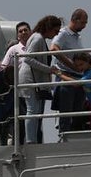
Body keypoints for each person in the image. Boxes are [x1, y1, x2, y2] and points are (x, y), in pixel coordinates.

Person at [20, 15, 63, 145]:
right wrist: (48, 69)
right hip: (30, 78)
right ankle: (30, 140)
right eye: (55, 31)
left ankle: (32, 139)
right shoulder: (38, 38)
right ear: (49, 28)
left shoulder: (37, 37)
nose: (55, 34)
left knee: (35, 110)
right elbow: (27, 58)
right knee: (32, 110)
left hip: (33, 78)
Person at [51, 9, 89, 135]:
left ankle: (75, 137)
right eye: (83, 22)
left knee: (77, 113)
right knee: (66, 113)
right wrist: (72, 65)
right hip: (66, 77)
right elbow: (54, 49)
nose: (84, 26)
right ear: (75, 20)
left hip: (78, 78)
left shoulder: (77, 37)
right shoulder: (64, 33)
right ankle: (65, 137)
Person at [0, 22, 30, 144]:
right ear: (18, 35)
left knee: (27, 118)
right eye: (20, 31)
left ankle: (23, 141)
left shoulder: (35, 47)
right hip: (15, 89)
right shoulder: (14, 49)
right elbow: (3, 66)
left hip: (30, 88)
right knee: (10, 116)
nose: (23, 33)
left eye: (25, 30)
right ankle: (5, 141)